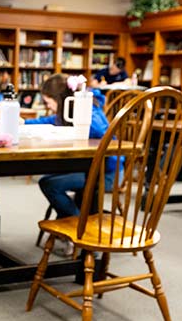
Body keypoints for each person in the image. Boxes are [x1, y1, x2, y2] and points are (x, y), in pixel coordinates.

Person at [25, 74, 120, 253]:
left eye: (49, 102)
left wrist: (82, 112)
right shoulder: (63, 113)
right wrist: (26, 123)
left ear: (60, 100)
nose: (48, 107)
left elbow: (101, 131)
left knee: (49, 184)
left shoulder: (87, 108)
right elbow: (49, 121)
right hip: (86, 169)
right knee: (51, 179)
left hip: (105, 172)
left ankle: (78, 227)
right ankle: (72, 222)